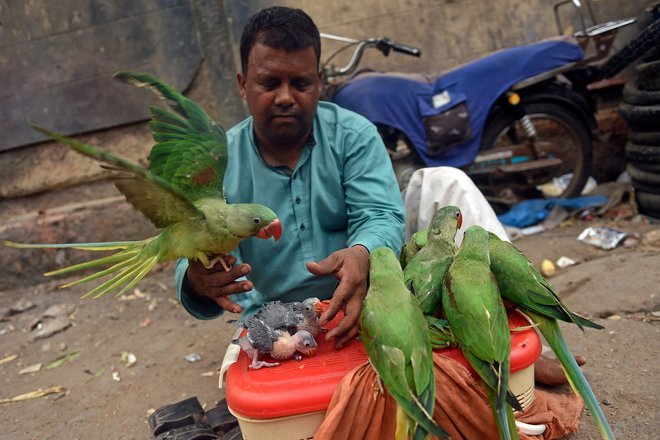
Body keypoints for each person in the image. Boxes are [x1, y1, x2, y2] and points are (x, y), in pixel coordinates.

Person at [174, 6, 405, 349]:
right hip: (270, 321)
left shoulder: (354, 136)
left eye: (300, 83)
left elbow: (381, 215)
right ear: (242, 85)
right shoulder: (215, 163)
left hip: (365, 302)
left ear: (320, 82)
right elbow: (189, 253)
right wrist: (199, 279)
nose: (285, 97)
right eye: (269, 83)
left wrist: (362, 252)